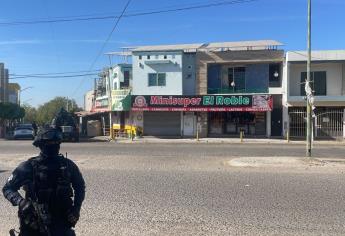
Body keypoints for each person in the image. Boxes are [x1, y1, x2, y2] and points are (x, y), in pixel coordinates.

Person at [2, 127, 85, 236]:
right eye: (50, 143)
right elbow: (7, 188)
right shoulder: (28, 167)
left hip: (62, 224)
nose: (54, 145)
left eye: (56, 142)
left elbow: (80, 187)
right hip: (34, 223)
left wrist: (76, 209)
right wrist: (21, 202)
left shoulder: (67, 165)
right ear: (41, 145)